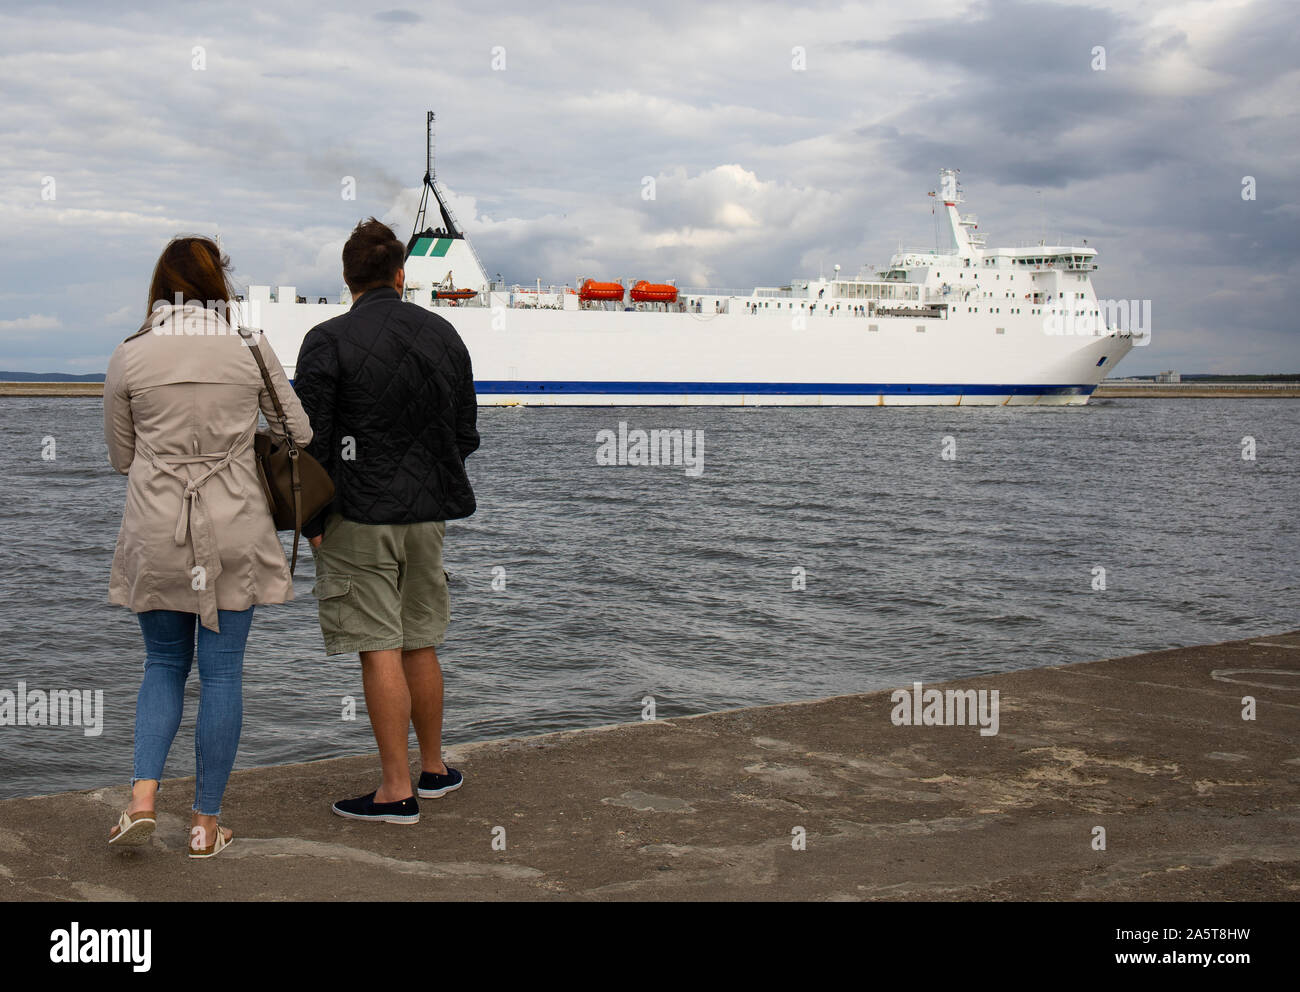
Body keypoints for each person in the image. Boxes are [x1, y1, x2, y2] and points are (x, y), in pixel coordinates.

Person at [104, 236, 312, 857]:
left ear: (159, 285)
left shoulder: (130, 354)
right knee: (222, 677)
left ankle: (142, 801)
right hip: (235, 527)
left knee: (163, 664)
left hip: (156, 527)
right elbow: (297, 431)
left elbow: (121, 459)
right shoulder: (249, 344)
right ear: (219, 281)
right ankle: (204, 825)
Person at [295, 217, 479, 825]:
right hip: (428, 518)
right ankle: (434, 770)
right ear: (401, 274)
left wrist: (312, 516)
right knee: (421, 639)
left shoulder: (326, 339)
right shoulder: (444, 334)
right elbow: (464, 435)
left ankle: (394, 792)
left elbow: (312, 443)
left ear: (348, 278)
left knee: (378, 646)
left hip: (358, 516)